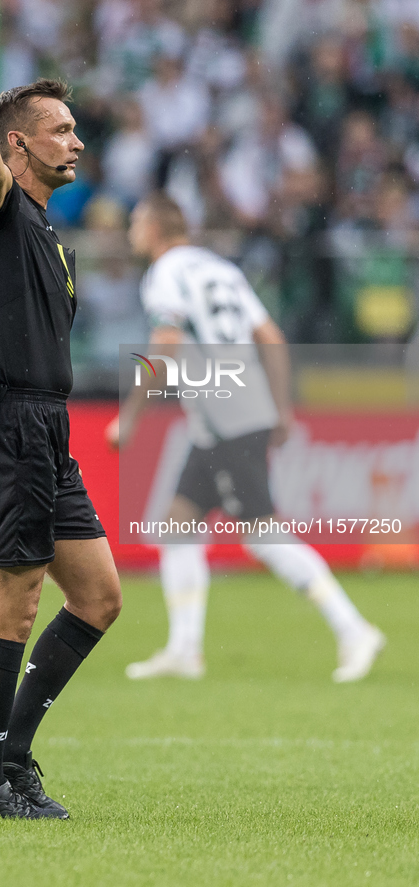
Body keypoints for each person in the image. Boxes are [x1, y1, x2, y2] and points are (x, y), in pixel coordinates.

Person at [106, 192, 384, 683]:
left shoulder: (165, 273)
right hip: (229, 411)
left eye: (135, 222)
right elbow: (271, 337)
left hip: (225, 414)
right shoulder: (222, 270)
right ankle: (185, 650)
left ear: (155, 229)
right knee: (177, 525)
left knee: (264, 536)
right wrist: (280, 407)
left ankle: (354, 629)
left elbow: (166, 342)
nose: (131, 231)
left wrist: (130, 417)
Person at [0, 77, 121, 820]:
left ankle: (13, 756)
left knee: (99, 596)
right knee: (10, 609)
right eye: (61, 129)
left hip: (48, 430)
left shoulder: (48, 235)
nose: (76, 140)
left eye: (76, 128)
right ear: (20, 143)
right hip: (5, 425)